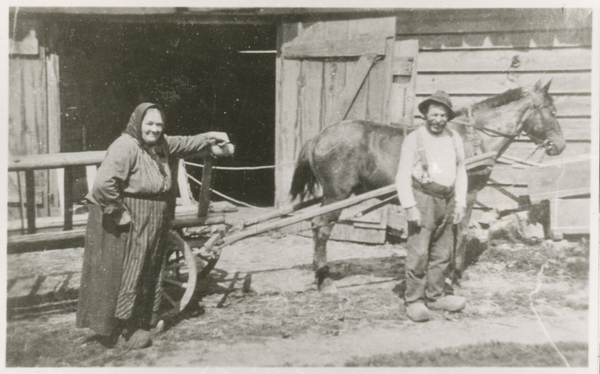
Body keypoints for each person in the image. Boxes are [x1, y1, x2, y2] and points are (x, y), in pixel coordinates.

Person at [76, 103, 230, 348]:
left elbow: (185, 142)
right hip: (134, 216)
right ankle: (123, 330)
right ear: (137, 123)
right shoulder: (125, 146)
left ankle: (139, 324)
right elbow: (104, 184)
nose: (154, 129)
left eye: (159, 124)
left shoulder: (161, 144)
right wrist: (119, 213)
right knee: (132, 271)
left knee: (149, 269)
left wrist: (209, 137)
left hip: (153, 217)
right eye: (149, 124)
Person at [395, 90, 468, 323]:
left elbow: (461, 171)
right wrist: (410, 206)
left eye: (443, 116)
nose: (439, 120)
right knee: (418, 252)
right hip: (423, 198)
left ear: (448, 117)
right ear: (425, 115)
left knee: (443, 251)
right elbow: (402, 176)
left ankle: (435, 296)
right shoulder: (414, 139)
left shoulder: (454, 137)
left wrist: (460, 202)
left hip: (447, 200)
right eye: (434, 115)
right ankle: (414, 300)